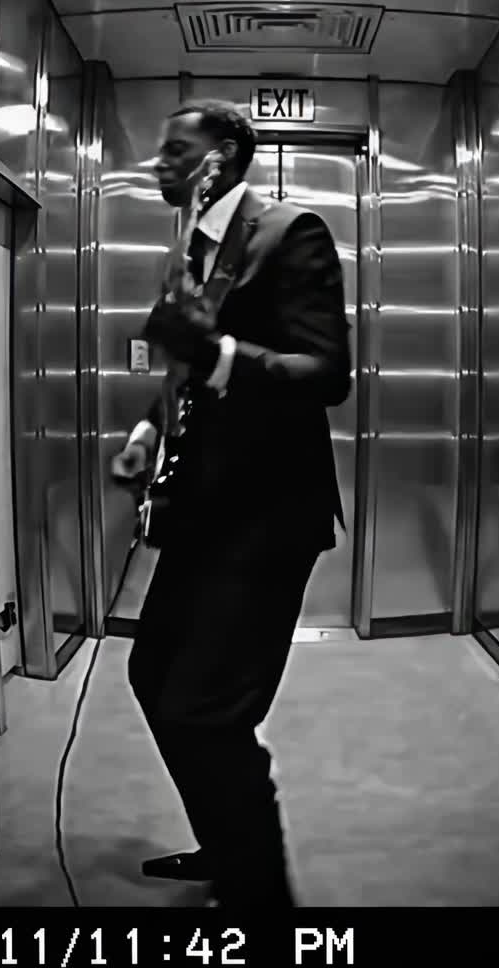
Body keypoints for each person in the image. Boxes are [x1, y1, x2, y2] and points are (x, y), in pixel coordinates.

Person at [122, 98, 351, 908]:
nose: (160, 161)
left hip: (264, 518)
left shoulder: (288, 233)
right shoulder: (191, 249)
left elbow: (327, 373)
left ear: (222, 155)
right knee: (153, 675)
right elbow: (190, 374)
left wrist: (218, 352)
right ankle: (227, 843)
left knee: (206, 710)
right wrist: (151, 431)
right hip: (200, 515)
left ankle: (263, 904)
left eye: (175, 148)